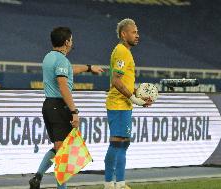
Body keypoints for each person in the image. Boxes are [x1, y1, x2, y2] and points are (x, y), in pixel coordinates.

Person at [29, 26, 104, 189]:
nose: (72, 42)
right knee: (64, 153)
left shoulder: (49, 57)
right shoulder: (61, 60)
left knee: (58, 148)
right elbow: (63, 86)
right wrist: (74, 111)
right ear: (67, 42)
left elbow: (70, 70)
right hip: (59, 106)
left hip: (48, 105)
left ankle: (37, 176)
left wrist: (89, 68)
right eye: (71, 39)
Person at [104, 19, 152, 189]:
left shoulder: (125, 52)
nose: (137, 35)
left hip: (123, 105)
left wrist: (139, 94)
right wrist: (133, 98)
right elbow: (116, 80)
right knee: (118, 142)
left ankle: (115, 183)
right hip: (119, 104)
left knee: (123, 143)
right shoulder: (122, 52)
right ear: (124, 34)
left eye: (137, 32)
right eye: (133, 32)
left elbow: (124, 80)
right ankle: (113, 184)